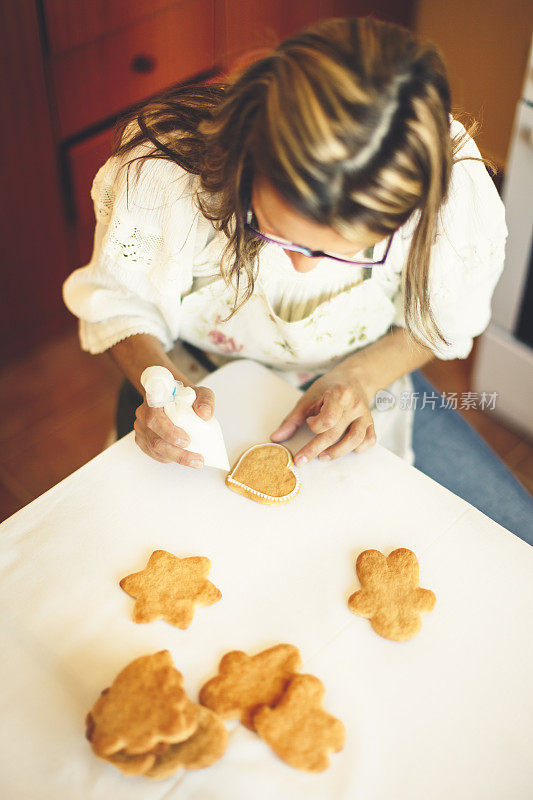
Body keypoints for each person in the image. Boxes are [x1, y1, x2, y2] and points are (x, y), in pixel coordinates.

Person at [62, 16, 533, 542]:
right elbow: (121, 305)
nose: (305, 267)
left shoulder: (452, 194)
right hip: (194, 375)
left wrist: (360, 378)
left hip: (358, 380)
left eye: (352, 252)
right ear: (247, 160)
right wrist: (159, 385)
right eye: (281, 237)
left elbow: (440, 323)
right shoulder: (163, 175)